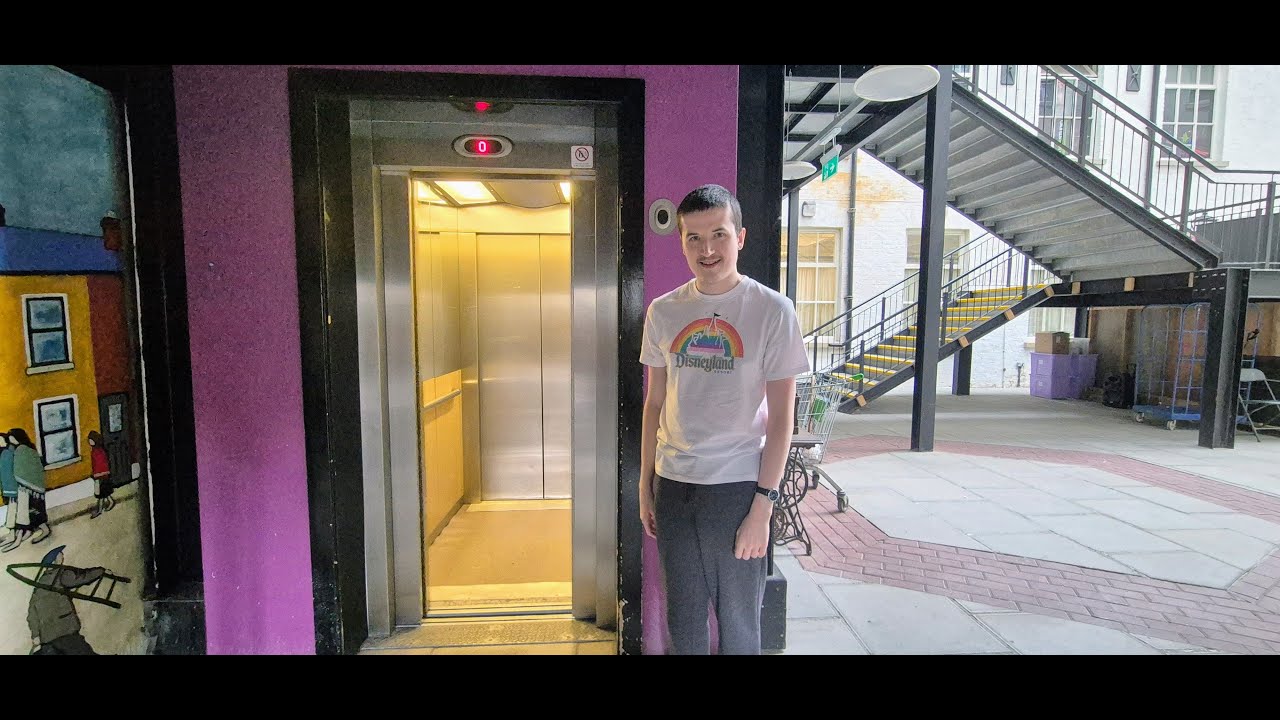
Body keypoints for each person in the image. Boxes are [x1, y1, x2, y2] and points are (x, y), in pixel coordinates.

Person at [638, 183, 809, 654]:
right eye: (693, 237)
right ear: (681, 243)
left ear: (741, 237)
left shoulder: (772, 311)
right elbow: (654, 404)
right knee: (684, 621)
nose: (707, 249)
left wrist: (763, 507)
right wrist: (645, 486)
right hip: (673, 485)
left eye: (718, 234)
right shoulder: (664, 311)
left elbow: (781, 421)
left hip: (737, 488)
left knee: (739, 626)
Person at [27, 545, 105, 655]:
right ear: (56, 561)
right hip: (65, 629)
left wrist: (35, 635)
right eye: (60, 556)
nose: (62, 558)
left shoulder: (39, 585)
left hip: (47, 638)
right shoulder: (60, 574)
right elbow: (82, 577)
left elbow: (32, 614)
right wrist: (101, 571)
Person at [1, 429, 50, 552]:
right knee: (27, 512)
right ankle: (24, 533)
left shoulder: (24, 450)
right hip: (22, 487)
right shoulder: (14, 451)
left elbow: (32, 467)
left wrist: (26, 481)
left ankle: (43, 530)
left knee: (35, 510)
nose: (12, 440)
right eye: (10, 438)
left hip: (31, 487)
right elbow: (15, 468)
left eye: (13, 438)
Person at [88, 431, 115, 518]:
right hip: (99, 475)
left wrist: (97, 474)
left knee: (100, 494)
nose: (89, 441)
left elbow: (101, 464)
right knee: (104, 493)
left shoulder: (98, 451)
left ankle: (99, 510)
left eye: (91, 440)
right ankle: (111, 502)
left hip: (101, 476)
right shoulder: (95, 450)